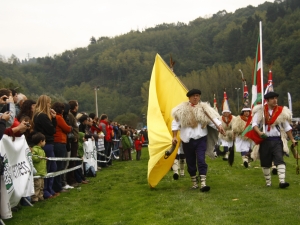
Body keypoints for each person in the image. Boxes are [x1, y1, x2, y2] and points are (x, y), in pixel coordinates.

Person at [172, 89, 225, 192]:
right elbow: (175, 124)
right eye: (193, 96)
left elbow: (212, 120)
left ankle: (203, 183)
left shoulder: (204, 109)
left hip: (201, 139)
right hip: (187, 140)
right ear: (189, 98)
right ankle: (194, 183)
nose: (195, 97)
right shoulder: (181, 110)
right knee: (190, 162)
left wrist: (219, 127)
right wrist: (174, 136)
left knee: (201, 160)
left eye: (197, 95)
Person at [252, 92, 297, 188]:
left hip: (277, 140)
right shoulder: (261, 111)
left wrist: (292, 139)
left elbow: (287, 127)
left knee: (279, 160)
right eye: (272, 98)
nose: (275, 100)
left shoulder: (281, 111)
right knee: (265, 162)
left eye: (276, 98)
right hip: (264, 140)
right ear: (267, 100)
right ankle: (268, 182)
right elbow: (254, 124)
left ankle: (282, 182)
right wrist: (259, 133)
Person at [33, 95, 59, 199]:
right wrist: (53, 119)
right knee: (50, 167)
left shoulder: (37, 115)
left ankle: (49, 189)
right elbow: (52, 130)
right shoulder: (42, 116)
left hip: (47, 142)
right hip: (46, 143)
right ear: (45, 103)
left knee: (50, 167)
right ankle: (47, 190)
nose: (50, 105)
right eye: (49, 103)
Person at [52, 102, 72, 193]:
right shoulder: (59, 117)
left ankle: (57, 185)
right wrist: (70, 127)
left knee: (58, 165)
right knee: (60, 165)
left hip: (56, 142)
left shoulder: (55, 117)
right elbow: (67, 128)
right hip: (60, 142)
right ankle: (58, 186)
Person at [31, 132, 48, 202]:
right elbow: (32, 158)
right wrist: (39, 158)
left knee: (41, 186)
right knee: (37, 186)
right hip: (37, 172)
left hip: (42, 172)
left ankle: (41, 197)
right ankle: (35, 198)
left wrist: (45, 159)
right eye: (44, 141)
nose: (45, 142)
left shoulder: (42, 150)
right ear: (41, 141)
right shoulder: (34, 150)